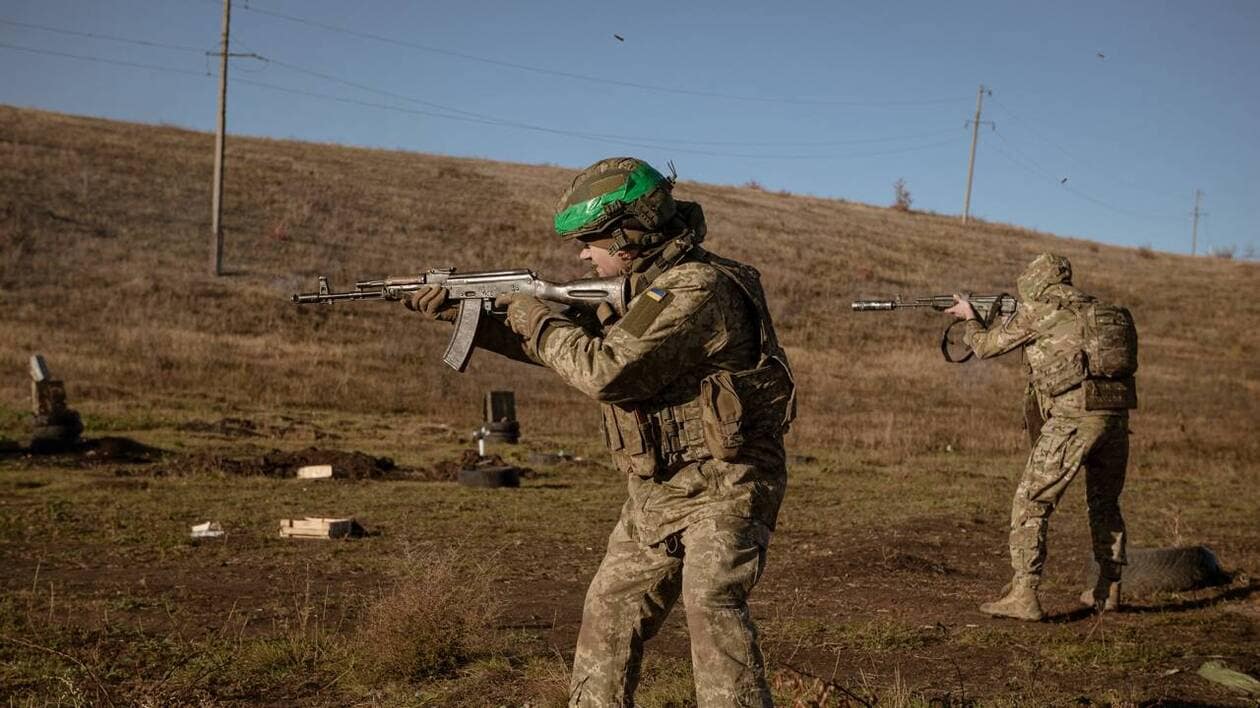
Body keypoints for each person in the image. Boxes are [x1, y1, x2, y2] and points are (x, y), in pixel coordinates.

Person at [405, 157, 795, 706]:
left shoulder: (695, 288)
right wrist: (469, 316)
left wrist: (532, 314)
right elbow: (567, 351)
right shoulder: (643, 289)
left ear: (630, 234)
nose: (582, 255)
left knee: (711, 605)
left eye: (590, 241)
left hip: (726, 483)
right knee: (610, 609)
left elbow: (603, 371)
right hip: (658, 488)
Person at [945, 253, 1136, 621]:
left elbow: (985, 347)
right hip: (1114, 414)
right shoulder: (1097, 311)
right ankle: (1108, 588)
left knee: (1031, 500)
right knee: (1104, 502)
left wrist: (969, 319)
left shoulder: (1040, 311)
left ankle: (1025, 593)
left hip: (1073, 417)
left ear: (1035, 280)